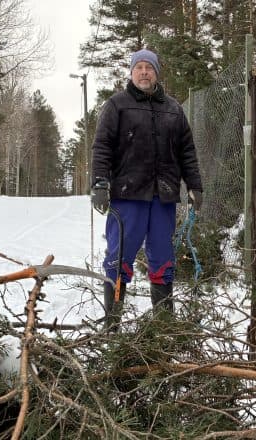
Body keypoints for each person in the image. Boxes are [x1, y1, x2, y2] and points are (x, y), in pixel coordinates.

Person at [90, 48, 203, 327]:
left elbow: (187, 150)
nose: (143, 72)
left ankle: (164, 327)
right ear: (131, 72)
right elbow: (102, 146)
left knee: (163, 260)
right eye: (138, 67)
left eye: (149, 68)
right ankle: (112, 326)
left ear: (156, 73)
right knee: (119, 259)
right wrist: (100, 183)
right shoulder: (117, 105)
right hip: (128, 195)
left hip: (163, 197)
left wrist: (194, 185)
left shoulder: (174, 110)